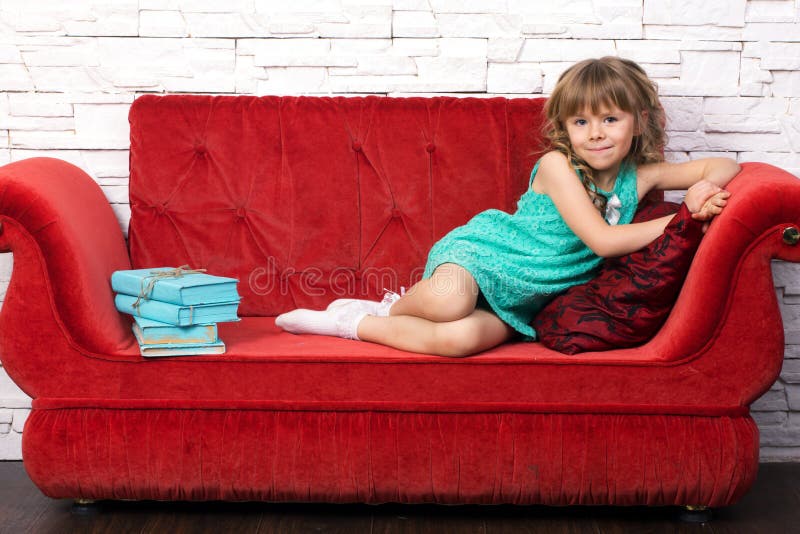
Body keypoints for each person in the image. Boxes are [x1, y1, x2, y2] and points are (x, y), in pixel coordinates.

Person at [275, 56, 741, 357]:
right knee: (450, 300)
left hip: (526, 297)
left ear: (638, 122)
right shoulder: (559, 166)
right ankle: (391, 308)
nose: (596, 133)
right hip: (485, 257)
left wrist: (700, 190)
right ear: (565, 128)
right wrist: (682, 216)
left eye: (610, 119)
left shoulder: (639, 177)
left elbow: (725, 166)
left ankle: (353, 322)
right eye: (581, 122)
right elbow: (602, 240)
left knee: (458, 340)